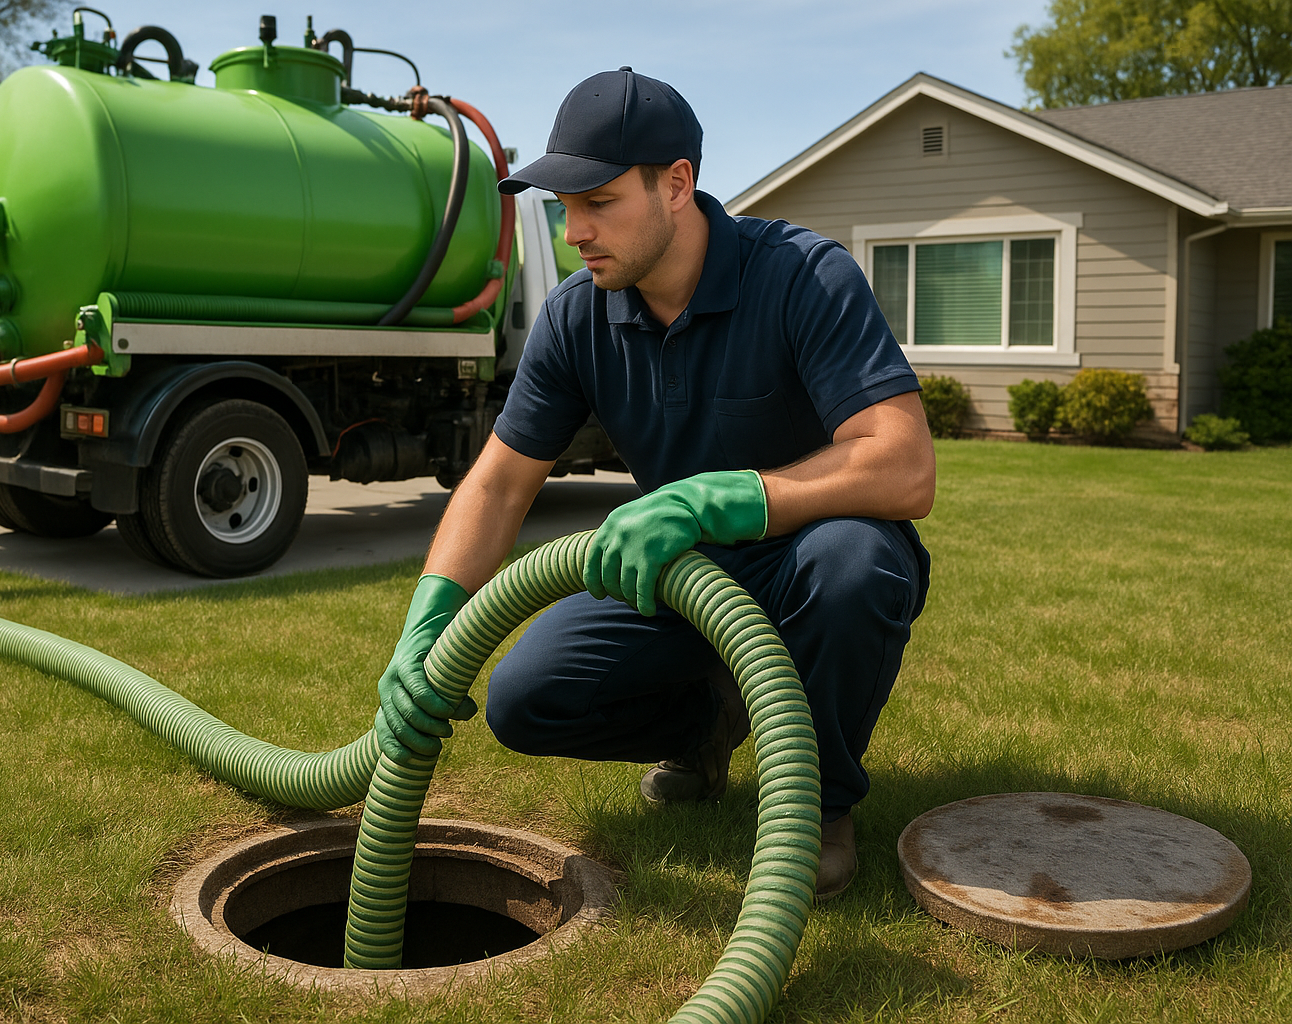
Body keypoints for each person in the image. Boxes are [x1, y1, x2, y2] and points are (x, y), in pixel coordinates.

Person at [374, 67, 934, 901]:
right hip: (683, 572)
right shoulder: (578, 315)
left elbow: (905, 464)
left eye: (599, 203)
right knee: (526, 700)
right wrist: (430, 620)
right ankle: (709, 726)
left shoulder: (803, 276)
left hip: (809, 556)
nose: (574, 232)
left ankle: (817, 807)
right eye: (566, 207)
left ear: (676, 184)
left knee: (855, 565)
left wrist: (721, 496)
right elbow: (497, 486)